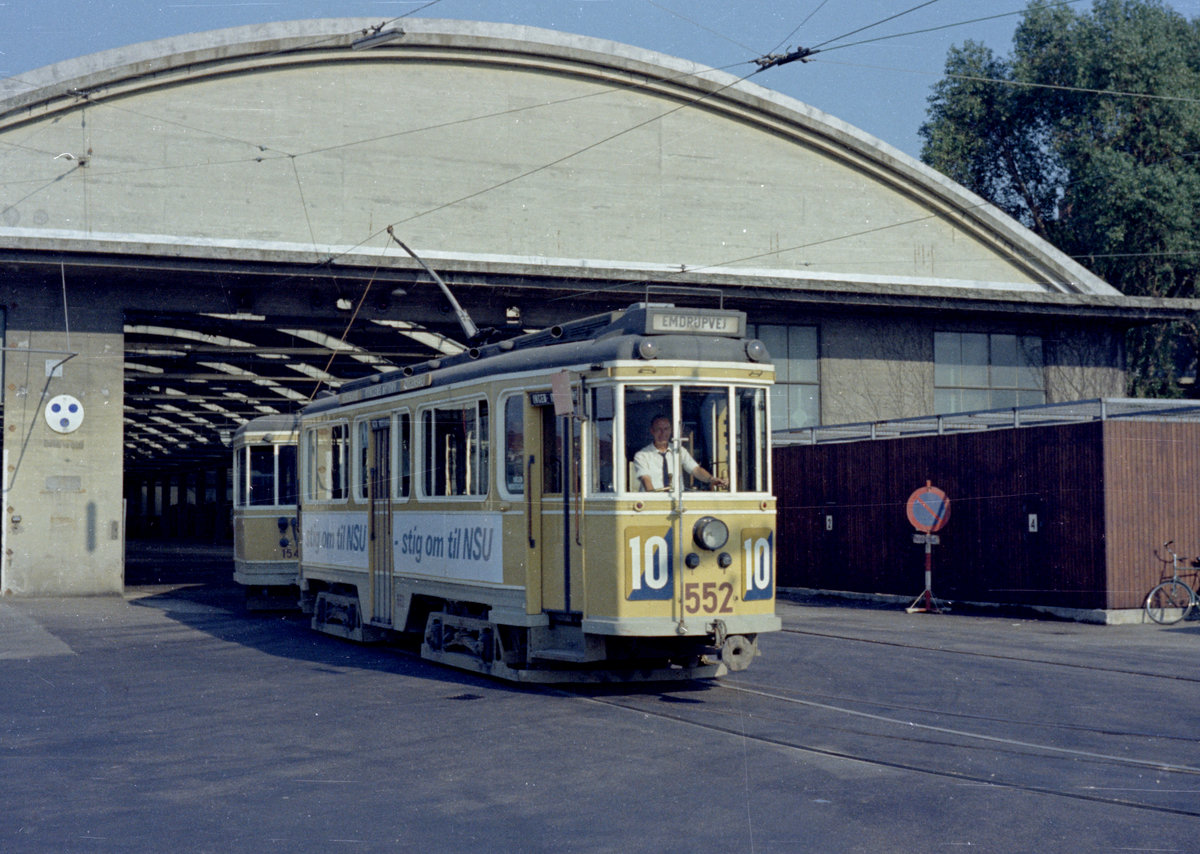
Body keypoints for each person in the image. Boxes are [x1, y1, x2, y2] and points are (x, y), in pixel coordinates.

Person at [633, 415, 727, 491]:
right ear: (652, 431)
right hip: (654, 502)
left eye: (666, 429)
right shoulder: (642, 456)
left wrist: (711, 479)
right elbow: (646, 480)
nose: (663, 433)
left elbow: (695, 469)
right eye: (659, 429)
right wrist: (657, 501)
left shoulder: (679, 450)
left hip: (676, 502)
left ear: (670, 430)